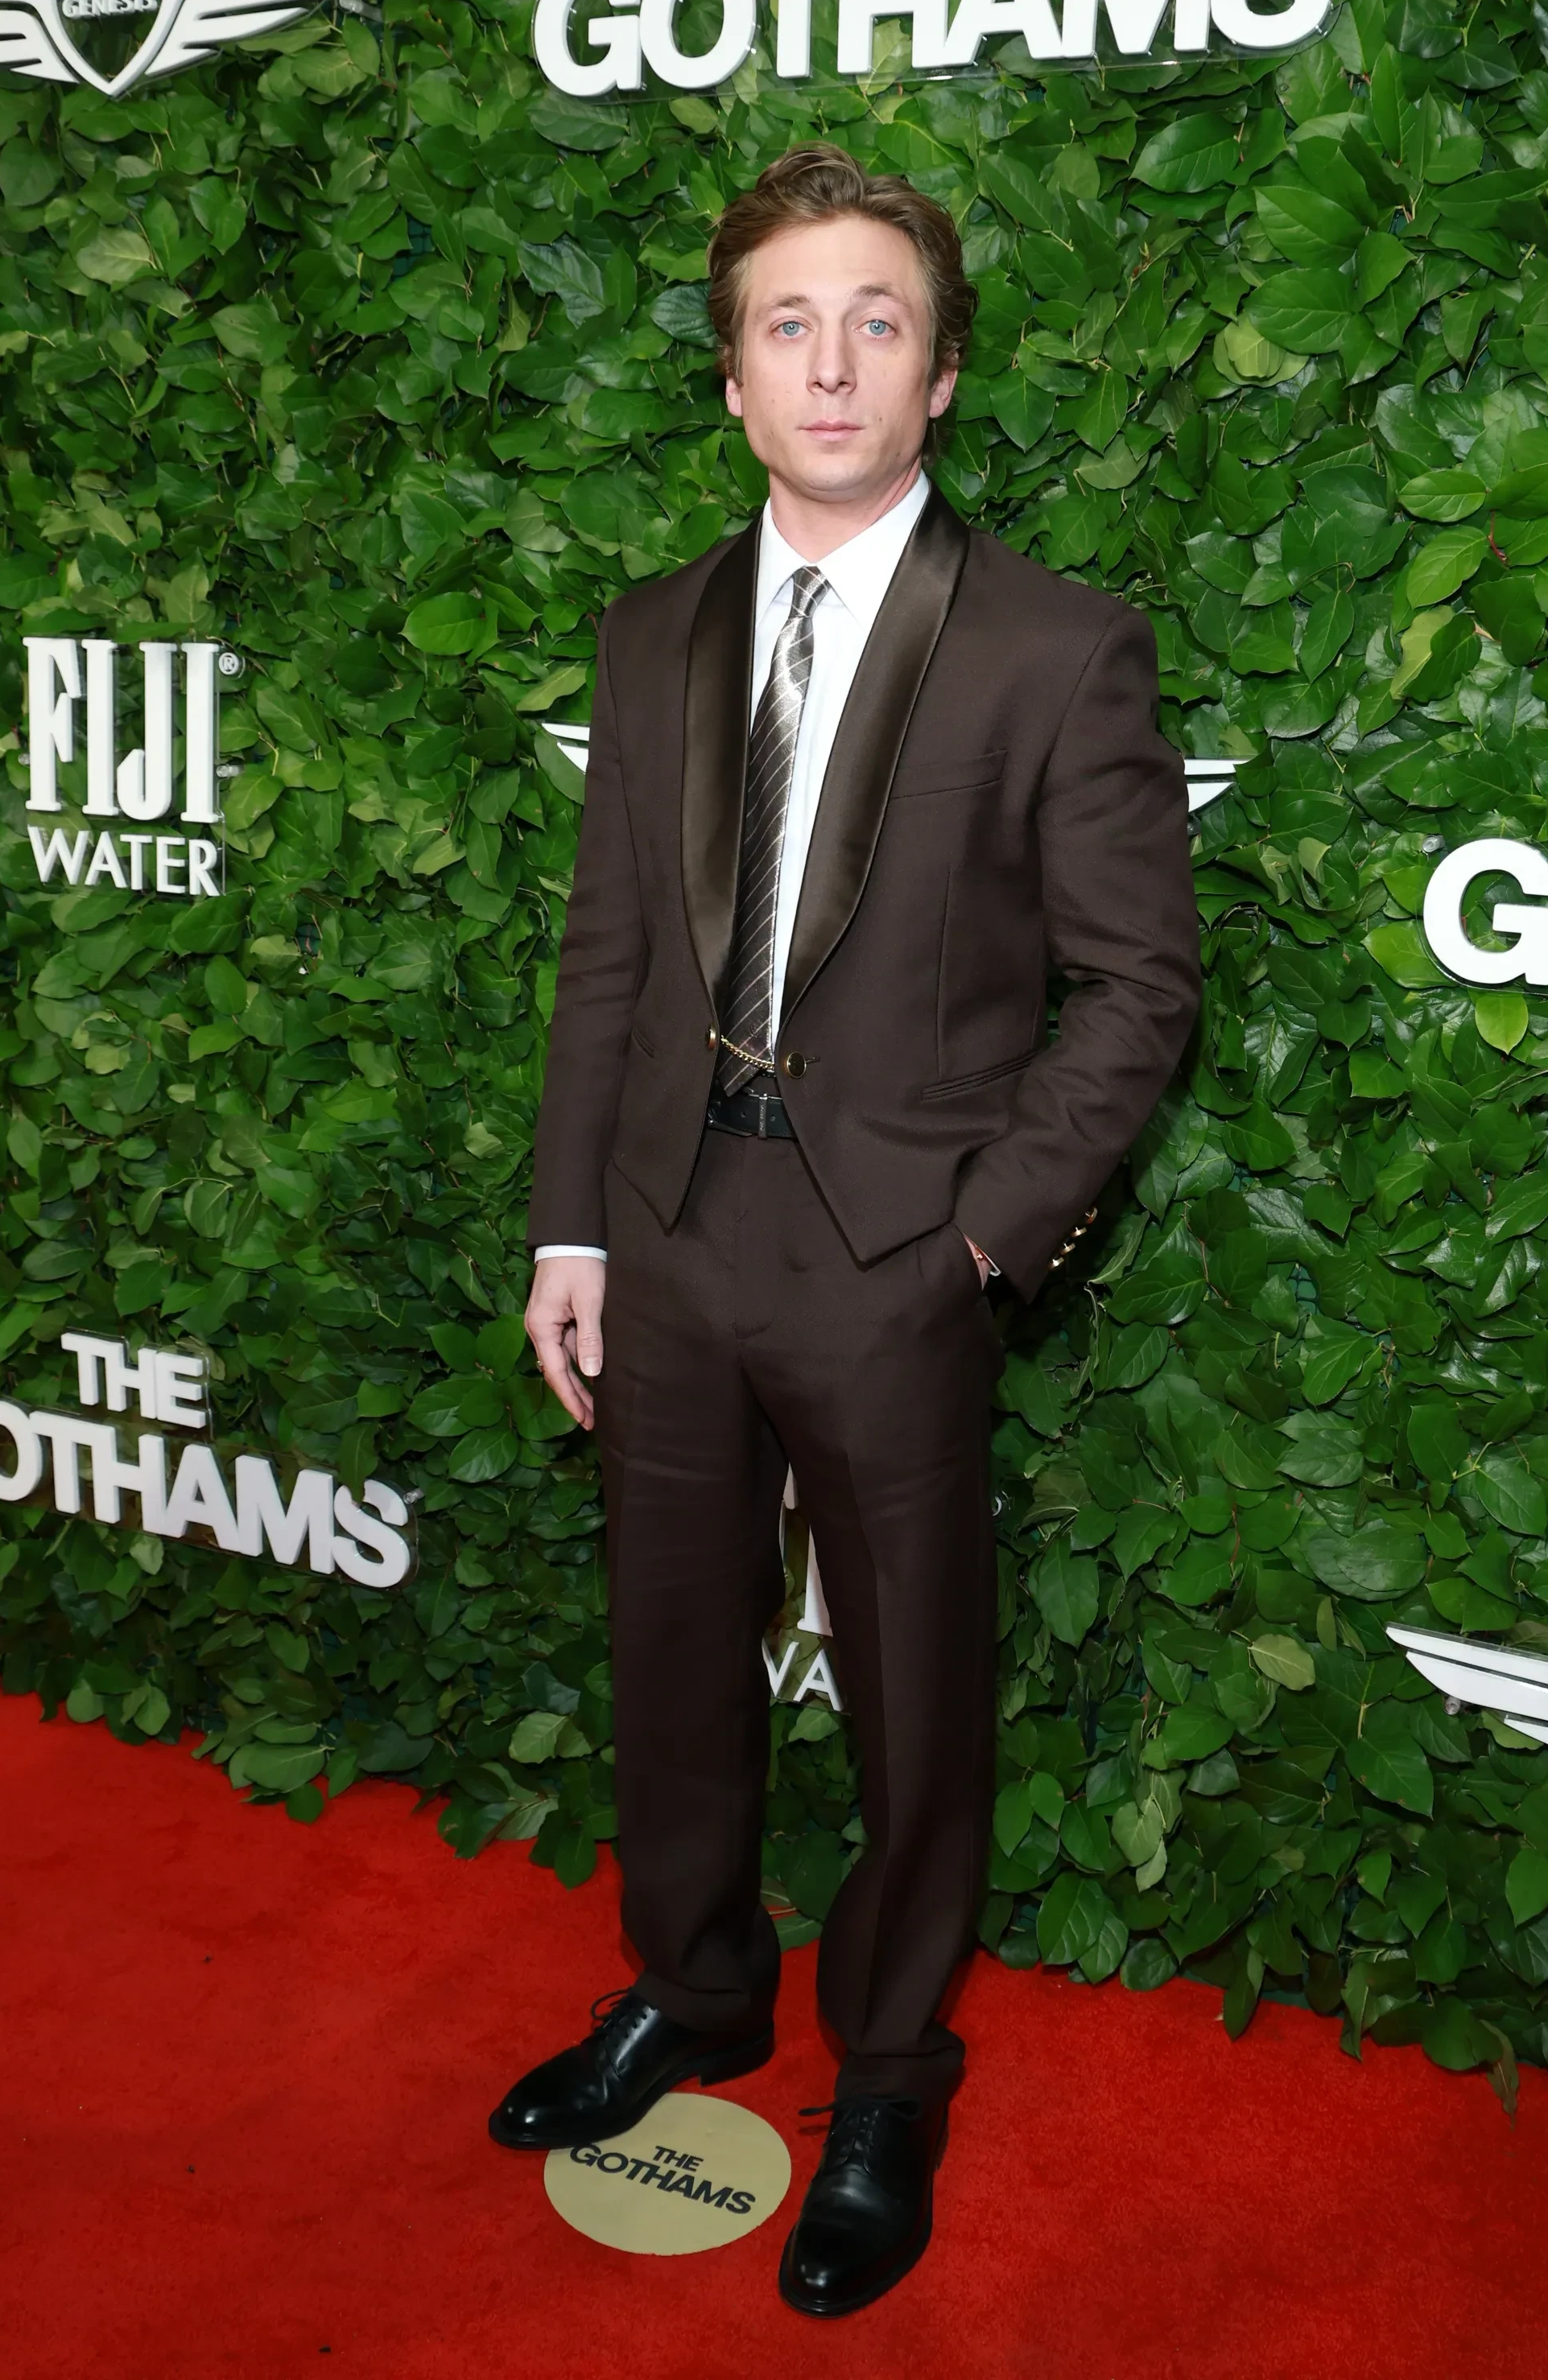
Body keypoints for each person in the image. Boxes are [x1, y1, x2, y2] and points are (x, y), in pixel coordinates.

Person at [489, 142, 1202, 2316]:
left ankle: (888, 2073)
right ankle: (697, 1992)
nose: (829, 362)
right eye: (785, 325)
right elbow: (609, 960)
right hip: (665, 1237)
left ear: (941, 372)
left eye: (875, 322)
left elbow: (1137, 987)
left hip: (897, 1257)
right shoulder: (649, 636)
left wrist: (982, 1238)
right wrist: (572, 1232)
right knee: (670, 1659)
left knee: (911, 1700)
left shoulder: (1057, 648)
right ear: (730, 381)